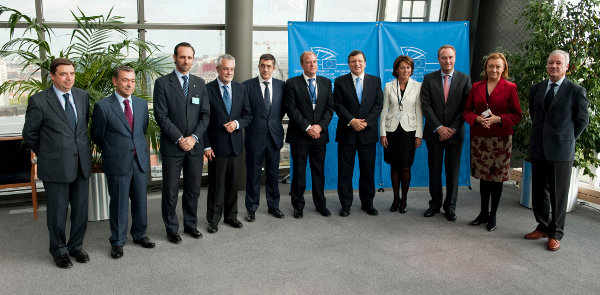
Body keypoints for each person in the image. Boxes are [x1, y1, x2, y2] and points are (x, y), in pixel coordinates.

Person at [22, 58, 92, 268]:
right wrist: (49, 153)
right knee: (57, 213)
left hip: (81, 164)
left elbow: (81, 128)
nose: (68, 78)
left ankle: (76, 246)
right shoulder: (39, 100)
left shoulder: (82, 96)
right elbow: (29, 135)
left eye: (71, 73)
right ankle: (59, 250)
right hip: (55, 166)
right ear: (52, 76)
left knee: (80, 211)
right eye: (63, 74)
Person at [524, 49, 589, 251]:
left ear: (566, 67)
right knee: (538, 192)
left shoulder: (576, 91)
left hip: (561, 151)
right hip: (539, 148)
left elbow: (581, 121)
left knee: (558, 195)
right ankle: (543, 226)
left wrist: (566, 139)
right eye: (551, 63)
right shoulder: (537, 88)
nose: (554, 66)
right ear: (547, 65)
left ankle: (556, 233)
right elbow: (534, 114)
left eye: (558, 63)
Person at [92, 66, 156, 259]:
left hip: (139, 161)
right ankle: (118, 241)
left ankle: (139, 235)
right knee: (119, 203)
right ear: (115, 81)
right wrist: (115, 150)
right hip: (117, 161)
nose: (129, 84)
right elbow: (97, 136)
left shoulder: (141, 104)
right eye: (125, 80)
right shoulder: (103, 106)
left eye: (132, 80)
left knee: (140, 201)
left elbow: (141, 130)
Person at [153, 42, 210, 243]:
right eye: (182, 57)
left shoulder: (199, 83)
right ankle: (171, 229)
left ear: (193, 59)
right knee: (170, 190)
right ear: (175, 58)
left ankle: (190, 224)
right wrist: (179, 138)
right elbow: (161, 116)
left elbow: (205, 116)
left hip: (194, 147)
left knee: (193, 189)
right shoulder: (162, 83)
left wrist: (193, 138)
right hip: (173, 146)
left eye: (189, 57)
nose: (186, 61)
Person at [463, 52, 522, 232]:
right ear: (486, 68)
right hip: (481, 139)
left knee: (496, 179)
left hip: (501, 140)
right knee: (484, 179)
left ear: (503, 68)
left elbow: (517, 115)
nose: (494, 69)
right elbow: (467, 111)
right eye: (491, 66)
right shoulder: (476, 86)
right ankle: (482, 213)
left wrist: (499, 119)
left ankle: (493, 215)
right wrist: (477, 119)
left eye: (498, 66)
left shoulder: (510, 87)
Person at [420, 44, 471, 221]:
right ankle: (434, 204)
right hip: (434, 133)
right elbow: (425, 105)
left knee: (453, 171)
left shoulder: (464, 79)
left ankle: (450, 206)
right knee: (434, 170)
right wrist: (439, 127)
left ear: (455, 58)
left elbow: (466, 107)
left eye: (450, 57)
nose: (447, 61)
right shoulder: (428, 79)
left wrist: (452, 128)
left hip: (455, 134)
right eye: (444, 57)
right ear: (438, 59)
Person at [204, 54, 252, 233]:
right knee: (217, 185)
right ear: (218, 69)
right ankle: (213, 219)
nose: (229, 72)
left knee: (233, 184)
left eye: (232, 69)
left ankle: (231, 216)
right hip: (216, 147)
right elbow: (204, 121)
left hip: (236, 146)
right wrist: (206, 146)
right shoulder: (207, 89)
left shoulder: (240, 89)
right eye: (225, 68)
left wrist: (237, 124)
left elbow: (248, 115)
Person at [284, 51, 334, 218]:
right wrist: (307, 127)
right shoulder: (292, 83)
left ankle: (320, 204)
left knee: (318, 171)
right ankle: (298, 206)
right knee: (299, 172)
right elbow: (291, 109)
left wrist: (319, 127)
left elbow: (329, 109)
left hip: (319, 135)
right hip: (300, 135)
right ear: (302, 65)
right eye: (308, 62)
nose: (312, 65)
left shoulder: (326, 82)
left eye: (314, 61)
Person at [333, 50, 383, 217]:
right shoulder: (340, 81)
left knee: (367, 170)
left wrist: (365, 122)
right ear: (349, 64)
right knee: (345, 171)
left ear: (365, 63)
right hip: (347, 132)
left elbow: (378, 105)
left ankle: (367, 203)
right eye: (353, 61)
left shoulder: (375, 81)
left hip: (367, 133)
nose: (357, 64)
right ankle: (345, 205)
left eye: (360, 61)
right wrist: (352, 120)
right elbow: (338, 105)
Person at [242, 54, 286, 222]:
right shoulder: (247, 86)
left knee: (273, 174)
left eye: (269, 66)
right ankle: (251, 208)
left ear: (273, 68)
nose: (265, 69)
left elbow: (281, 110)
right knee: (253, 174)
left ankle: (273, 206)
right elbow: (245, 111)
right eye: (262, 65)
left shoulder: (282, 86)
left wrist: (272, 124)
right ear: (258, 67)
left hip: (274, 136)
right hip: (255, 137)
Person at [380, 55, 423, 214]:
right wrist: (382, 132)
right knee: (394, 166)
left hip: (409, 131)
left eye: (408, 67)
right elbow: (384, 110)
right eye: (402, 67)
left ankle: (404, 199)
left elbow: (419, 111)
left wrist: (419, 134)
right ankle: (395, 199)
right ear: (396, 69)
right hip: (391, 131)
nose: (405, 70)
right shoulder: (388, 86)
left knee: (405, 167)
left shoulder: (418, 86)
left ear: (411, 70)